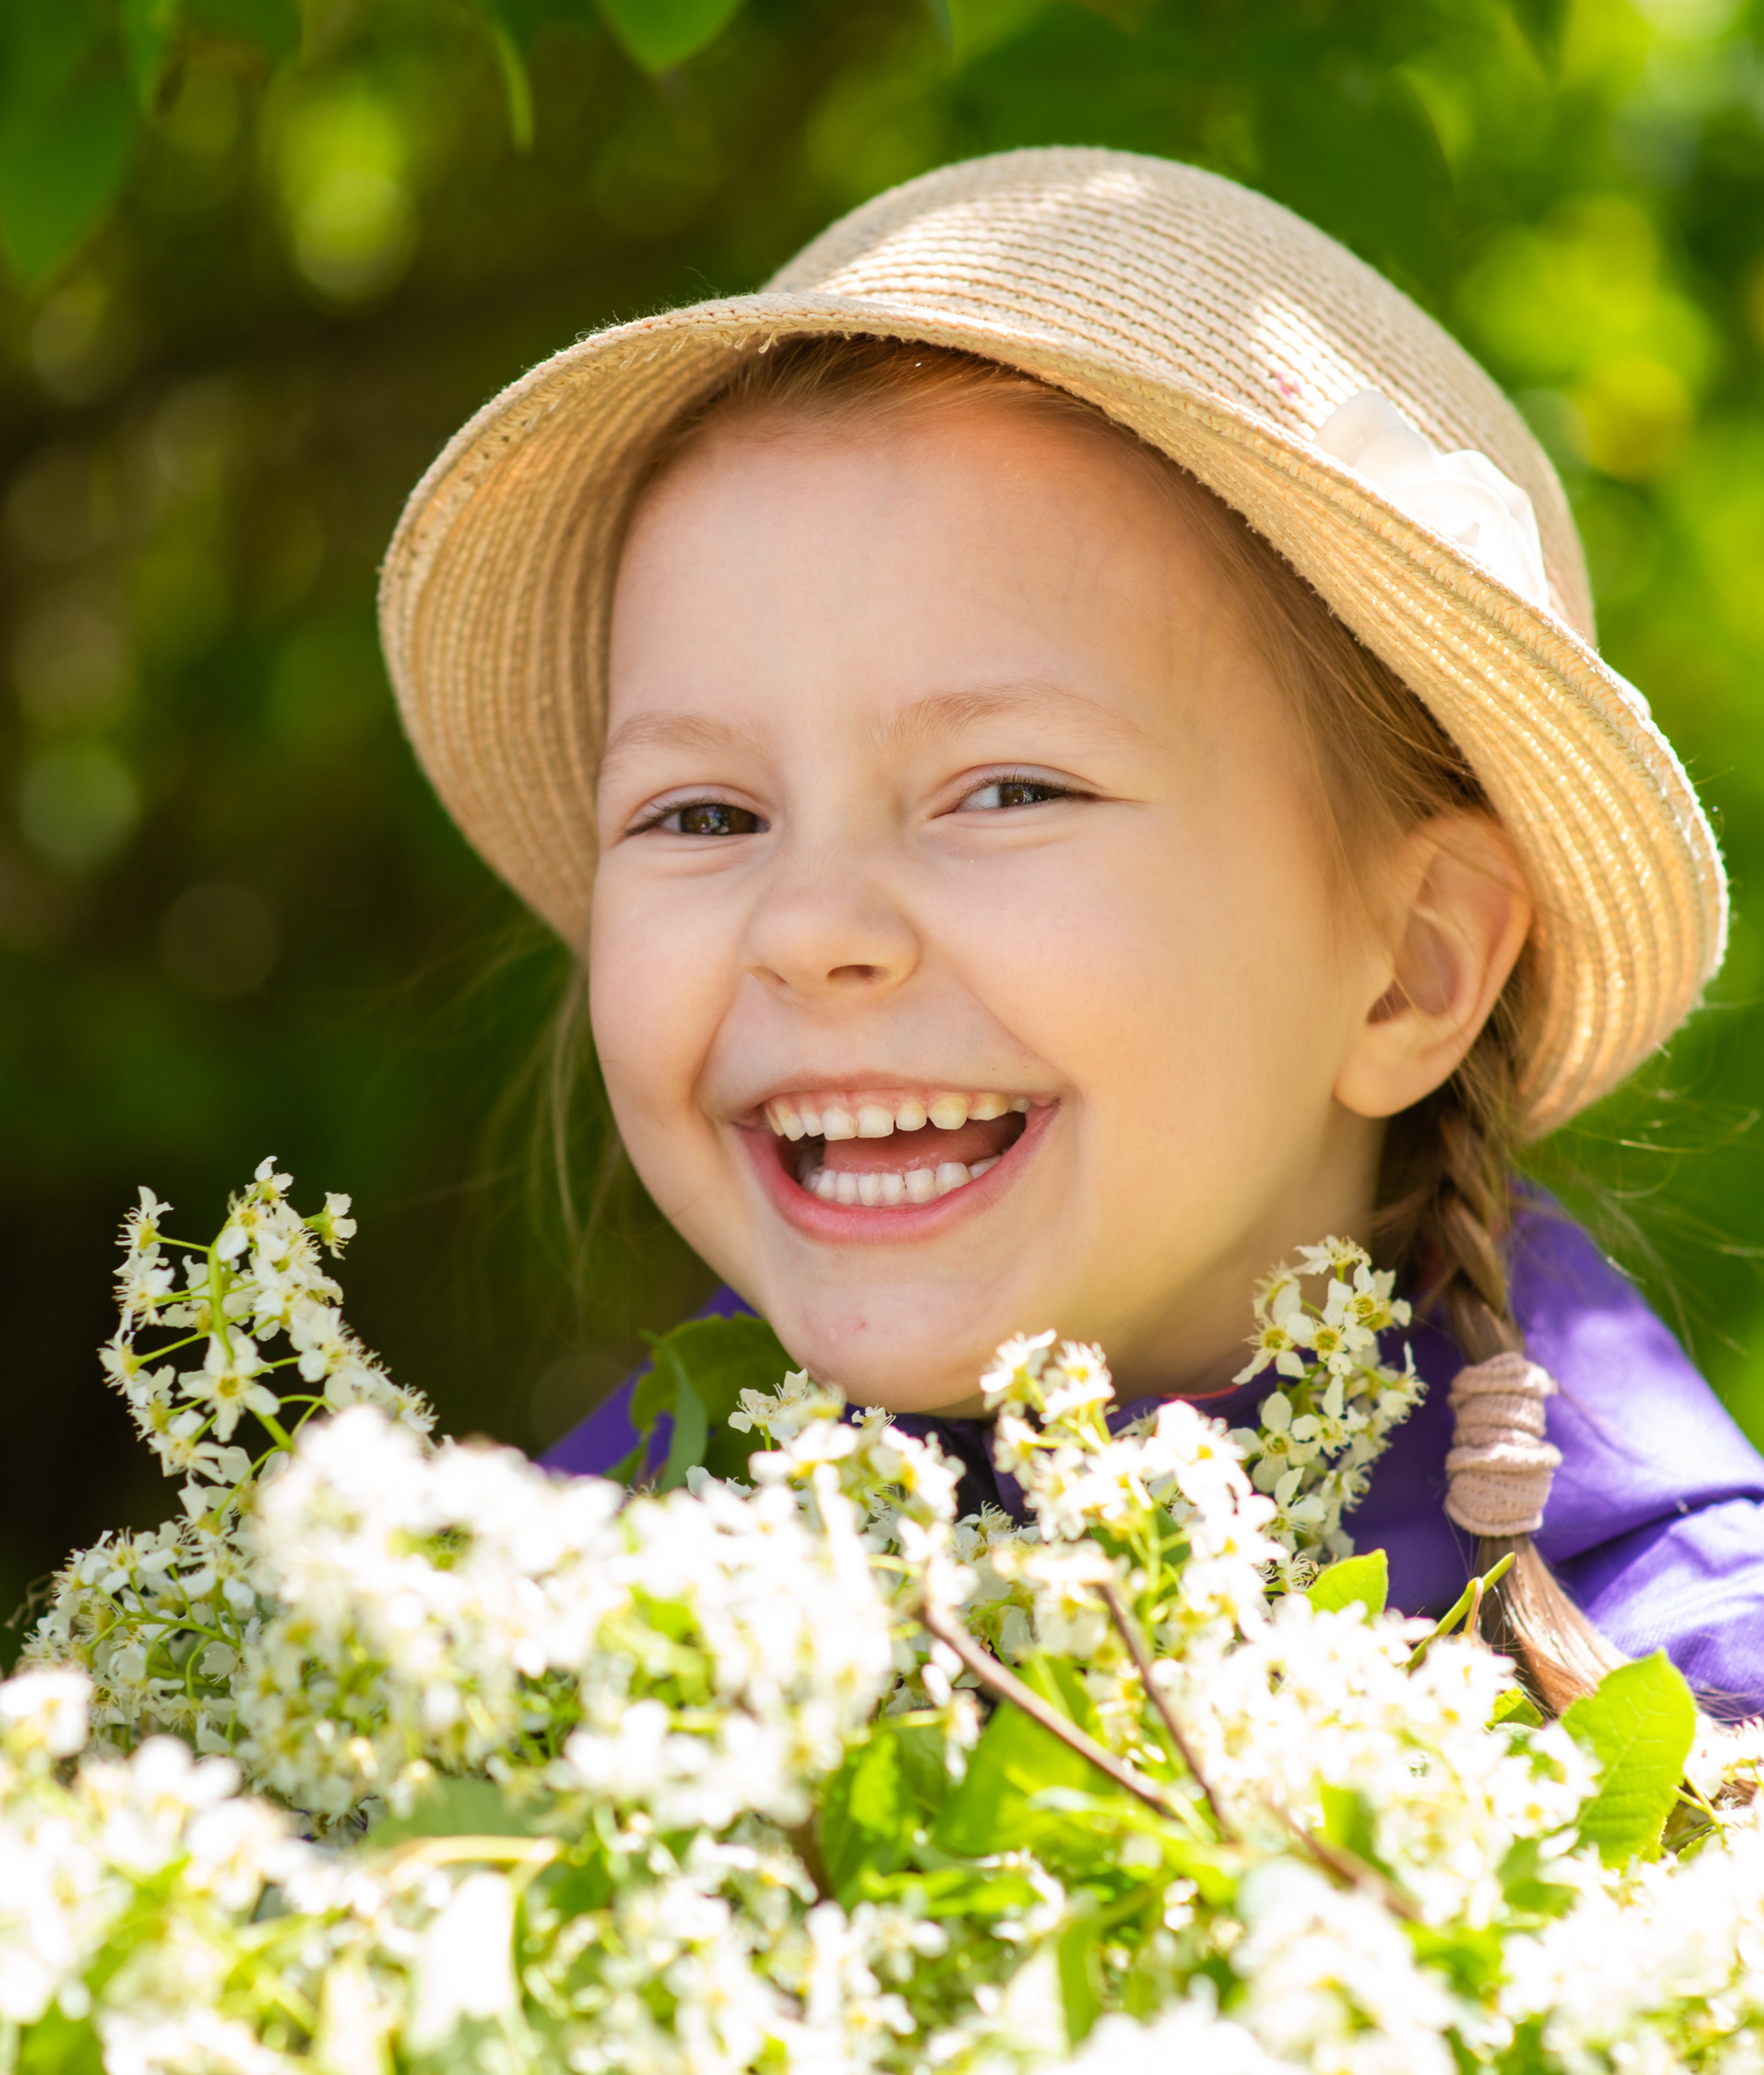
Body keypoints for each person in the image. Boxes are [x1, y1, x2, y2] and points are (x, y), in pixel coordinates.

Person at [379, 149, 1764, 1718]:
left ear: (1413, 964)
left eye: (1006, 788)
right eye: (702, 814)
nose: (812, 924)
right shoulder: (559, 1611)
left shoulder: (1675, 1705)